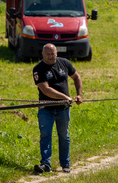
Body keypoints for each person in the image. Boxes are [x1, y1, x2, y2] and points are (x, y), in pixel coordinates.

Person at [32, 43, 83, 174]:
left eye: (52, 53)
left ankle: (65, 164)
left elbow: (76, 77)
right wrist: (65, 96)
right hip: (46, 109)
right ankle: (45, 164)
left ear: (56, 53)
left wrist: (78, 94)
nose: (50, 56)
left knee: (64, 136)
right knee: (45, 135)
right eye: (48, 54)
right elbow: (46, 90)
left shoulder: (64, 63)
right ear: (42, 54)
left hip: (63, 109)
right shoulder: (38, 69)